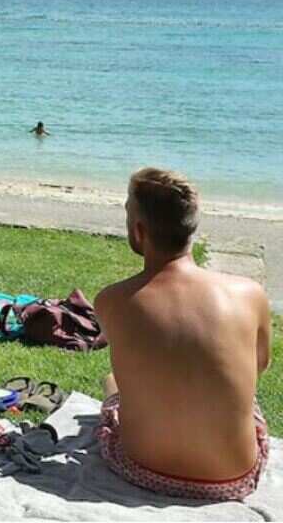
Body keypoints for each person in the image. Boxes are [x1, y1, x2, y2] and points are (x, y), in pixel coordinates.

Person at [94, 168, 270, 501]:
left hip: (142, 467)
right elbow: (257, 368)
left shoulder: (113, 300)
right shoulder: (249, 294)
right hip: (232, 478)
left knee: (112, 383)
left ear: (138, 230)